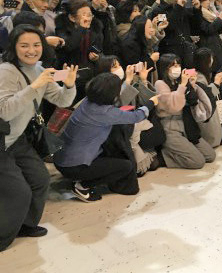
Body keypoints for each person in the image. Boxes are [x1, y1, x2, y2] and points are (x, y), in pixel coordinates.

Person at [0, 25, 77, 250]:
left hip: (17, 139)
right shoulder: (6, 71)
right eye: (24, 45)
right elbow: (4, 111)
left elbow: (63, 101)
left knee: (40, 179)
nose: (31, 50)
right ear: (14, 47)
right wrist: (35, 87)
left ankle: (25, 224)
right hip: (2, 140)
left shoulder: (40, 69)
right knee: (18, 192)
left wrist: (70, 84)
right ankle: (3, 238)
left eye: (36, 45)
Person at [53, 73, 158, 202]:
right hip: (74, 166)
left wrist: (128, 81)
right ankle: (82, 186)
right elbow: (137, 116)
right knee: (126, 166)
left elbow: (115, 100)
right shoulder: (105, 112)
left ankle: (82, 178)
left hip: (61, 159)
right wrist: (151, 102)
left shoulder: (88, 101)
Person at [154, 54, 216, 169]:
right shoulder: (160, 84)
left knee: (210, 155)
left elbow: (193, 101)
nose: (176, 68)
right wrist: (182, 85)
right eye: (172, 66)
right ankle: (162, 157)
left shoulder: (180, 82)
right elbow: (174, 107)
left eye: (178, 65)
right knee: (198, 162)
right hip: (170, 128)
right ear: (164, 68)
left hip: (187, 125)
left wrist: (191, 85)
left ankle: (178, 151)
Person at [193, 48, 222, 147]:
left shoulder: (198, 74)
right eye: (211, 59)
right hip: (204, 116)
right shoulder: (199, 78)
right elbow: (205, 95)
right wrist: (217, 83)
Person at [193, 0, 222, 72]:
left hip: (216, 44)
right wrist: (220, 18)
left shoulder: (209, 12)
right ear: (200, 1)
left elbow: (218, 30)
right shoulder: (199, 14)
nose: (208, 2)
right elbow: (208, 30)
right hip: (207, 46)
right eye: (206, 0)